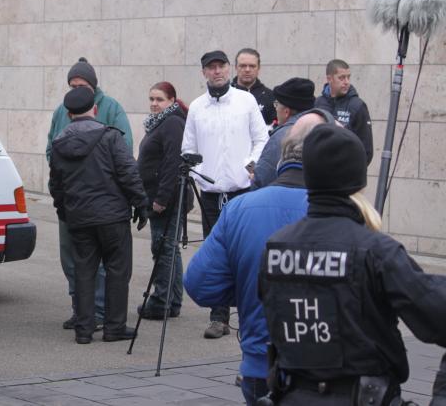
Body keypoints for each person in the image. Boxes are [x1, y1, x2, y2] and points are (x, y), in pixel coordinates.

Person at [258, 124, 446, 405]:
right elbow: (434, 312)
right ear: (358, 179)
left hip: (292, 395)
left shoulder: (275, 247)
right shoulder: (376, 251)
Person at [184, 111, 327, 405]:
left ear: (280, 157)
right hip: (327, 368)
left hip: (260, 366)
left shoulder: (240, 209)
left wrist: (251, 291)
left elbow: (200, 285)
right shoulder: (342, 210)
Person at [48, 87, 149, 344]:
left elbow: (56, 185)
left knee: (84, 270)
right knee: (117, 270)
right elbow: (128, 172)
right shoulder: (110, 137)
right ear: (94, 109)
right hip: (112, 216)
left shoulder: (59, 144)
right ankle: (114, 328)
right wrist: (141, 203)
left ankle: (83, 329)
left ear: (69, 114)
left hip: (79, 218)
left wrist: (64, 211)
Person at [182, 50, 269, 339]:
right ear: (204, 72)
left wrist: (250, 168)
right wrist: (200, 175)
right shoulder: (196, 107)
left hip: (242, 191)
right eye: (211, 68)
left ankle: (249, 314)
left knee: (246, 253)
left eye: (221, 66)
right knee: (216, 252)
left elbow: (261, 140)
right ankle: (218, 317)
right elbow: (188, 150)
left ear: (227, 69)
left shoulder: (245, 102)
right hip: (211, 193)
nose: (217, 72)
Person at [136, 81, 190, 320]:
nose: (154, 104)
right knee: (169, 249)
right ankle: (172, 301)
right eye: (151, 99)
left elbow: (172, 163)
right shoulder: (161, 123)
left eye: (159, 99)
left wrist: (160, 199)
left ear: (171, 100)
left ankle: (161, 302)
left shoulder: (172, 123)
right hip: (159, 195)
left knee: (163, 249)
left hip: (166, 199)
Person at [252, 78, 316, 189]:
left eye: (277, 104)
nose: (276, 109)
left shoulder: (282, 137)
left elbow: (261, 179)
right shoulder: (324, 128)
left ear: (286, 112)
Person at [314, 59, 373, 163]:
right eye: (341, 78)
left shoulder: (357, 106)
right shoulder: (318, 103)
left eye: (348, 77)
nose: (346, 82)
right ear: (329, 79)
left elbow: (366, 150)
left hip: (346, 172)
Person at [232, 48, 276, 127]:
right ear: (236, 67)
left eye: (252, 66)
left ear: (258, 68)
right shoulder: (226, 95)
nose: (247, 70)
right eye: (242, 66)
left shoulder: (270, 97)